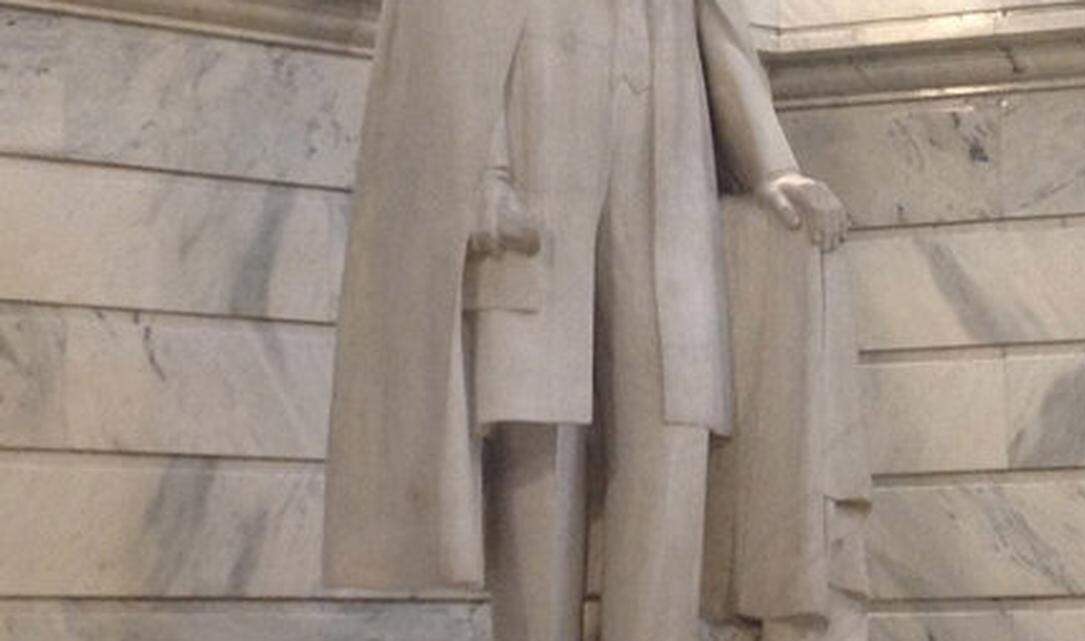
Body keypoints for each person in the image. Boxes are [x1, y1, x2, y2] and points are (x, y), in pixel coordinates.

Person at [322, 1, 853, 640]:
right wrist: (483, 179)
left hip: (665, 177)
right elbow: (451, 37)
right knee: (542, 455)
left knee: (672, 430)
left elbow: (721, 33)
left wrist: (773, 167)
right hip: (540, 168)